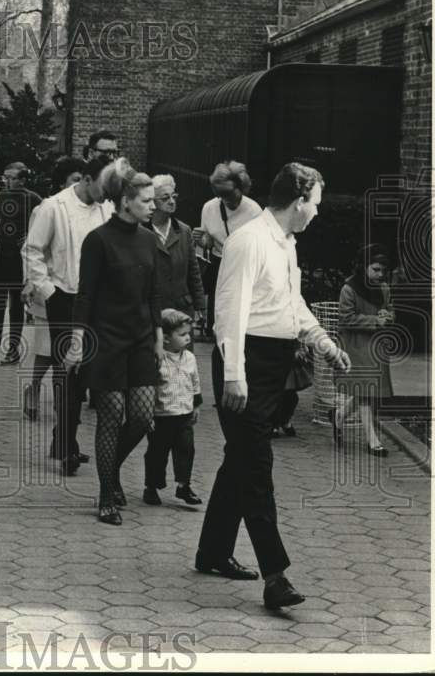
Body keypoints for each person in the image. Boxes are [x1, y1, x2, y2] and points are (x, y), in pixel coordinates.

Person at [197, 162, 351, 611]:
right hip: (244, 361)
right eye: (316, 204)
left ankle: (211, 552)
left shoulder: (285, 242)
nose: (318, 213)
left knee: (240, 461)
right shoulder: (249, 241)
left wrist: (322, 342)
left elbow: (290, 302)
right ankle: (275, 577)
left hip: (272, 363)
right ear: (299, 200)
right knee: (256, 466)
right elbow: (229, 311)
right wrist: (235, 375)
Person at [68, 165, 162, 522]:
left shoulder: (149, 240)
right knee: (110, 418)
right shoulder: (99, 240)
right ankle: (106, 494)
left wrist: (157, 340)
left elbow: (154, 294)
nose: (153, 206)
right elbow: (85, 295)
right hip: (105, 340)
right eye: (146, 200)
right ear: (126, 202)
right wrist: (77, 342)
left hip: (139, 340)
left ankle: (113, 468)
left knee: (140, 417)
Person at [22, 155, 116, 475]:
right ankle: (67, 447)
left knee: (86, 375)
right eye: (104, 185)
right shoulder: (54, 207)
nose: (108, 192)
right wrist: (48, 291)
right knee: (68, 374)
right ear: (87, 179)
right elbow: (32, 250)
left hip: (99, 300)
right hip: (65, 297)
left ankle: (63, 439)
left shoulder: (107, 209)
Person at [22, 157, 86, 421]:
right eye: (75, 179)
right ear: (62, 181)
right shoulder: (46, 209)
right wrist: (36, 284)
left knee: (72, 346)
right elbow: (31, 249)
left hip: (74, 289)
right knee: (47, 350)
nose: (79, 185)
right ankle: (34, 389)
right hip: (49, 288)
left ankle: (67, 399)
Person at [333, 245, 395, 456]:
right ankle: (373, 441)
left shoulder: (384, 288)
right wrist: (375, 320)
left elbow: (390, 308)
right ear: (364, 267)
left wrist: (388, 316)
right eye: (375, 269)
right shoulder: (349, 289)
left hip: (376, 345)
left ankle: (339, 414)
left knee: (368, 390)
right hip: (355, 345)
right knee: (366, 391)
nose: (380, 274)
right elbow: (346, 318)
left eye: (382, 270)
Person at [0, 162, 41, 367]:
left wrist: (30, 236)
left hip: (19, 258)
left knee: (16, 304)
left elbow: (43, 225)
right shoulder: (4, 196)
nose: (7, 181)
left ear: (23, 179)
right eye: (5, 177)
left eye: (12, 178)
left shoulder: (33, 198)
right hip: (0, 255)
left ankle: (13, 348)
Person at [143, 309, 204, 507]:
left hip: (184, 415)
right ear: (166, 338)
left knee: (186, 450)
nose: (188, 338)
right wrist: (148, 415)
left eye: (189, 333)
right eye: (182, 334)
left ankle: (183, 485)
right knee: (157, 453)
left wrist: (196, 405)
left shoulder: (190, 358)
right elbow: (150, 388)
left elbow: (195, 382)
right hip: (162, 416)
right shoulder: (157, 359)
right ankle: (152, 486)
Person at [194, 161, 262, 336]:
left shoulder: (253, 210)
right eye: (221, 195)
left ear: (242, 187)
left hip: (244, 267)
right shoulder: (209, 208)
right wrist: (203, 240)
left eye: (230, 194)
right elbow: (208, 242)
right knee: (218, 322)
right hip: (220, 265)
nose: (227, 200)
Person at [147, 175, 205, 335]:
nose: (171, 201)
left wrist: (200, 305)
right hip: (152, 311)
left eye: (174, 196)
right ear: (152, 201)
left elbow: (194, 272)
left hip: (181, 310)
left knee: (182, 357)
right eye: (165, 198)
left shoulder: (184, 231)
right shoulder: (141, 231)